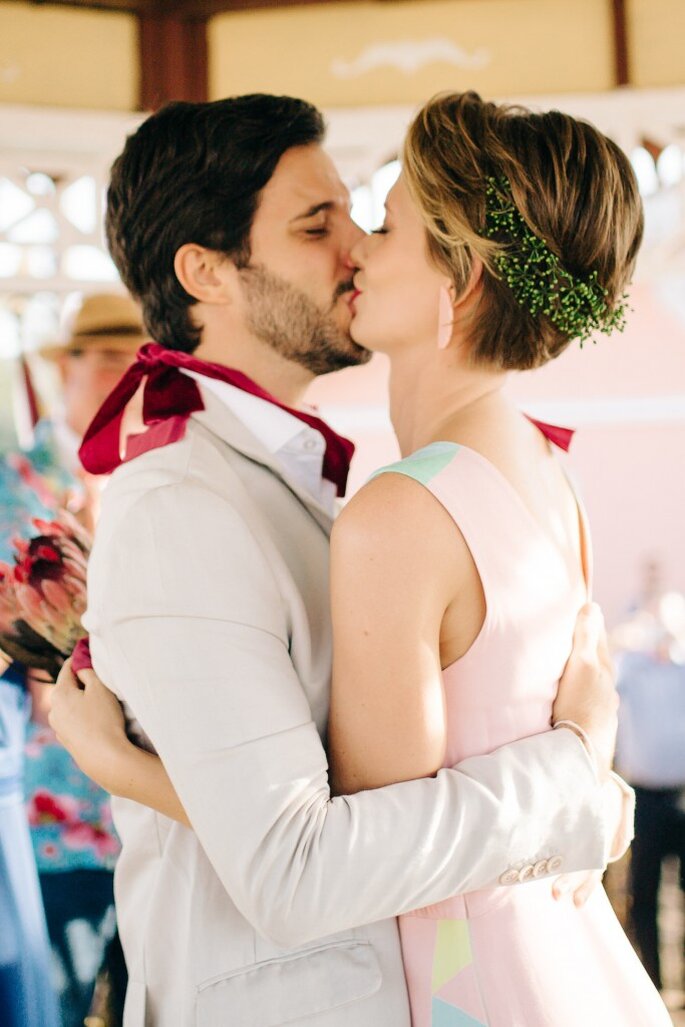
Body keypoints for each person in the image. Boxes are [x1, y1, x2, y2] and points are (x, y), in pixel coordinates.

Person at [50, 93, 625, 1027]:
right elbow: (293, 862)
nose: (355, 245)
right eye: (318, 223)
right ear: (208, 273)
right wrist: (574, 783)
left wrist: (130, 768)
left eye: (368, 217)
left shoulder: (369, 492)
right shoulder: (180, 506)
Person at [22, 292, 142, 1025]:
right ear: (69, 367)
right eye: (103, 360)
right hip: (49, 810)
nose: (120, 378)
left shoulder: (153, 473)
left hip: (144, 812)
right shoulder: (17, 480)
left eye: (133, 362)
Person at [614, 588, 685, 991]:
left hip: (682, 794)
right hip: (644, 798)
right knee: (643, 894)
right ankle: (651, 983)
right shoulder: (632, 669)